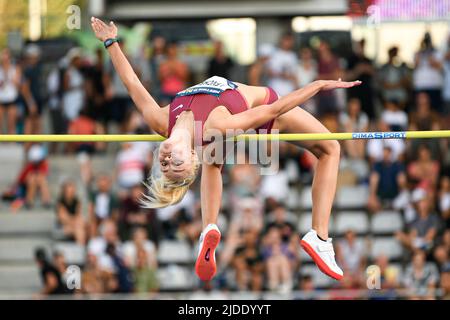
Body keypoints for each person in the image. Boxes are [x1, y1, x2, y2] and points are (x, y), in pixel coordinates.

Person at [91, 17, 361, 282]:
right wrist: (317, 85)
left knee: (213, 159)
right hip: (264, 109)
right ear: (190, 156)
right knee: (330, 148)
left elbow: (132, 84)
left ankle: (209, 228)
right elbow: (274, 109)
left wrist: (111, 41)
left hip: (222, 130)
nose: (166, 160)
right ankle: (320, 235)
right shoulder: (216, 125)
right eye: (176, 164)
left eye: (164, 166)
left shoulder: (160, 120)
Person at [266, 32, 298, 97]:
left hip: (289, 90)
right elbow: (268, 72)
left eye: (290, 40)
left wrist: (296, 87)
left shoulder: (293, 56)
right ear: (282, 40)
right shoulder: (274, 53)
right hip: (275, 89)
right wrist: (282, 75)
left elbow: (294, 74)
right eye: (287, 40)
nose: (288, 43)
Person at [56, 180, 86, 245]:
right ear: (64, 191)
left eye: (72, 191)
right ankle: (81, 249)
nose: (70, 193)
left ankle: (81, 247)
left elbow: (79, 215)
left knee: (80, 228)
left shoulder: (77, 201)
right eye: (68, 191)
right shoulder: (60, 202)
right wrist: (75, 221)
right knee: (79, 229)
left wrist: (75, 221)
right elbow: (63, 219)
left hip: (75, 225)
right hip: (63, 226)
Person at [0, 48, 21, 134]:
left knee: (11, 124)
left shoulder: (15, 68)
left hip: (12, 99)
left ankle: (11, 144)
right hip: (1, 99)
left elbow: (18, 84)